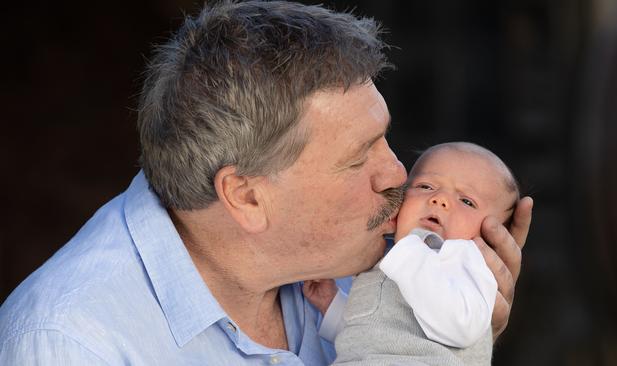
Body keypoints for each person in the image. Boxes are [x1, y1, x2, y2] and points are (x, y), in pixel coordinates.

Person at [0, 2, 532, 365]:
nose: (398, 175)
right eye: (356, 159)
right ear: (247, 196)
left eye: (385, 138)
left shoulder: (381, 256)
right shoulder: (71, 345)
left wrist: (444, 339)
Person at [304, 142, 521, 365]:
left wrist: (408, 254)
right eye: (426, 186)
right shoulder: (396, 262)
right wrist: (331, 305)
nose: (440, 199)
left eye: (466, 201)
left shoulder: (467, 264)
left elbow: (462, 325)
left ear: (490, 236)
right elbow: (374, 332)